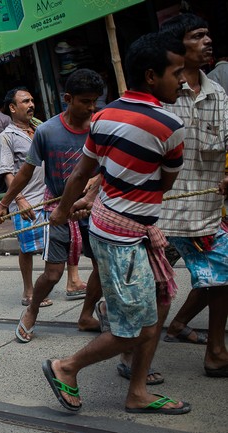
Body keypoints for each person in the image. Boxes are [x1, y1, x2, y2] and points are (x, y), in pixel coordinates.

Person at [43, 32, 190, 414]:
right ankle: (66, 367)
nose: (184, 80)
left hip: (116, 226)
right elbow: (163, 183)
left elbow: (82, 172)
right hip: (124, 235)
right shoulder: (170, 126)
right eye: (177, 73)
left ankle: (137, 390)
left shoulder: (104, 116)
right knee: (138, 328)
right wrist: (71, 207)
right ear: (152, 76)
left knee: (157, 304)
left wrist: (65, 209)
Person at [0, 69, 104, 338]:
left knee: (101, 265)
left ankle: (87, 315)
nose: (91, 107)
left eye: (94, 101)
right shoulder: (47, 131)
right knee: (53, 272)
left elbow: (109, 165)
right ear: (68, 98)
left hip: (92, 208)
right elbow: (25, 172)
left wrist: (94, 185)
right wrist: (5, 203)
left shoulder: (101, 126)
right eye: (84, 101)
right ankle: (31, 310)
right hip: (57, 210)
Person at [157, 14, 228, 377]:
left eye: (208, 34)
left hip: (205, 213)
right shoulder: (162, 96)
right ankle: (128, 353)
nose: (207, 41)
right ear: (178, 47)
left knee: (220, 274)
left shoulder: (218, 95)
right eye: (198, 36)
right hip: (161, 216)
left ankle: (215, 351)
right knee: (153, 291)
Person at [0, 87, 88, 308]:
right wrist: (18, 200)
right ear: (12, 107)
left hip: (50, 196)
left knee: (65, 238)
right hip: (26, 199)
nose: (31, 105)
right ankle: (29, 290)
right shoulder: (6, 137)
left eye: (32, 101)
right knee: (27, 247)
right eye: (25, 101)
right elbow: (8, 172)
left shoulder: (41, 129)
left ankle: (72, 281)